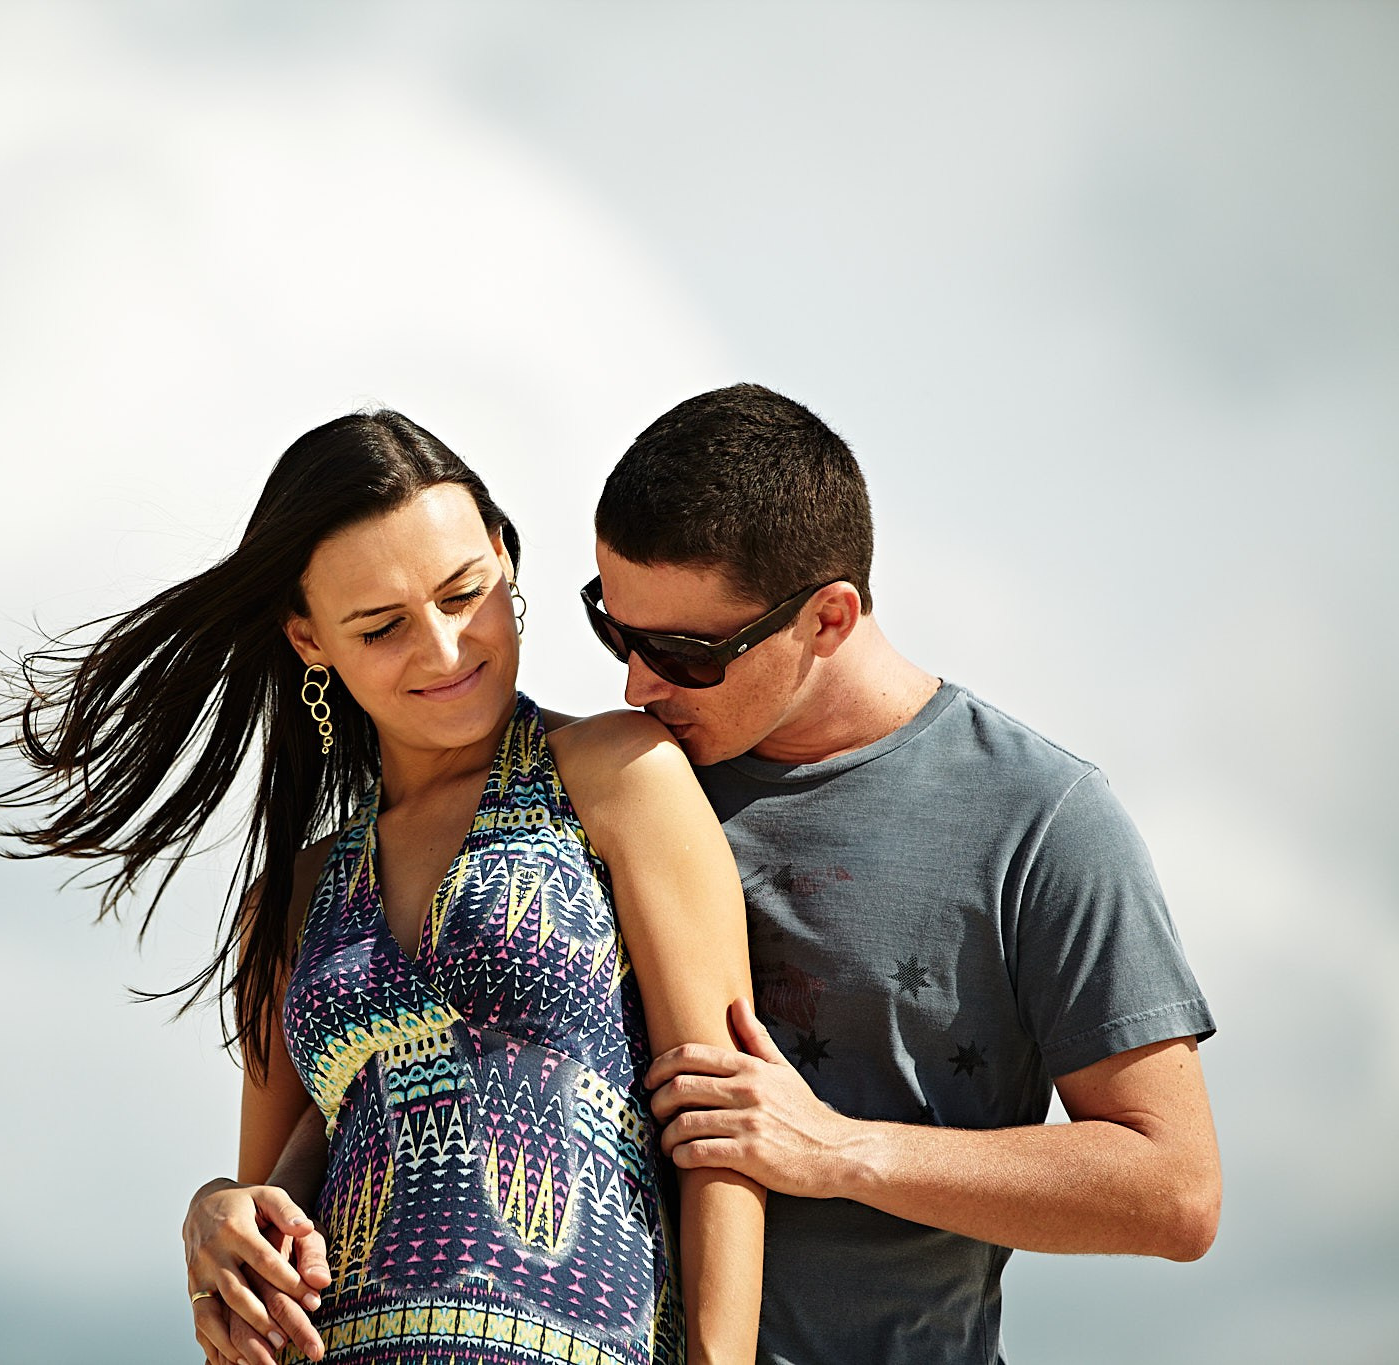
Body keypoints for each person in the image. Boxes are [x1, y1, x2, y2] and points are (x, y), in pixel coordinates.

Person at [190, 385, 1221, 1365]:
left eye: (682, 652)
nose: (634, 683)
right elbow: (423, 1065)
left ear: (825, 619)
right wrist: (218, 1209)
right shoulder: (587, 782)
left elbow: (1173, 1190)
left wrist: (839, 1148)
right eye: (613, 628)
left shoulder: (1033, 820)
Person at [0, 411, 764, 1365]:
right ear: (309, 639)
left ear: (504, 556)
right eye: (382, 627)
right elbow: (267, 1239)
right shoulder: (292, 898)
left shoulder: (620, 773)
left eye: (466, 593)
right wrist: (214, 1215)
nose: (446, 650)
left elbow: (727, 1130)